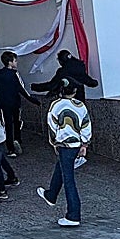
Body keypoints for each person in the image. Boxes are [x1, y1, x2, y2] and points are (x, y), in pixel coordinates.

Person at [35, 77, 91, 227]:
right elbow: (86, 125)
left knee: (69, 179)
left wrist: (54, 143)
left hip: (64, 145)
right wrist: (84, 144)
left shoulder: (56, 105)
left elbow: (52, 126)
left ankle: (73, 215)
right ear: (75, 90)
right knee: (62, 168)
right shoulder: (81, 105)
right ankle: (51, 195)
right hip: (77, 143)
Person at [0, 50, 40, 157]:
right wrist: (32, 100)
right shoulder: (14, 74)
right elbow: (21, 89)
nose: (16, 63)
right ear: (10, 62)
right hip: (15, 102)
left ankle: (10, 148)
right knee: (16, 122)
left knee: (7, 125)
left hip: (4, 103)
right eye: (15, 61)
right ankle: (17, 140)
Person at [32, 49, 99, 100]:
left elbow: (51, 86)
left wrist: (34, 87)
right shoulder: (80, 66)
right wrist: (94, 83)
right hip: (79, 99)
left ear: (62, 60)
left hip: (66, 99)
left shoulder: (63, 71)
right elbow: (88, 80)